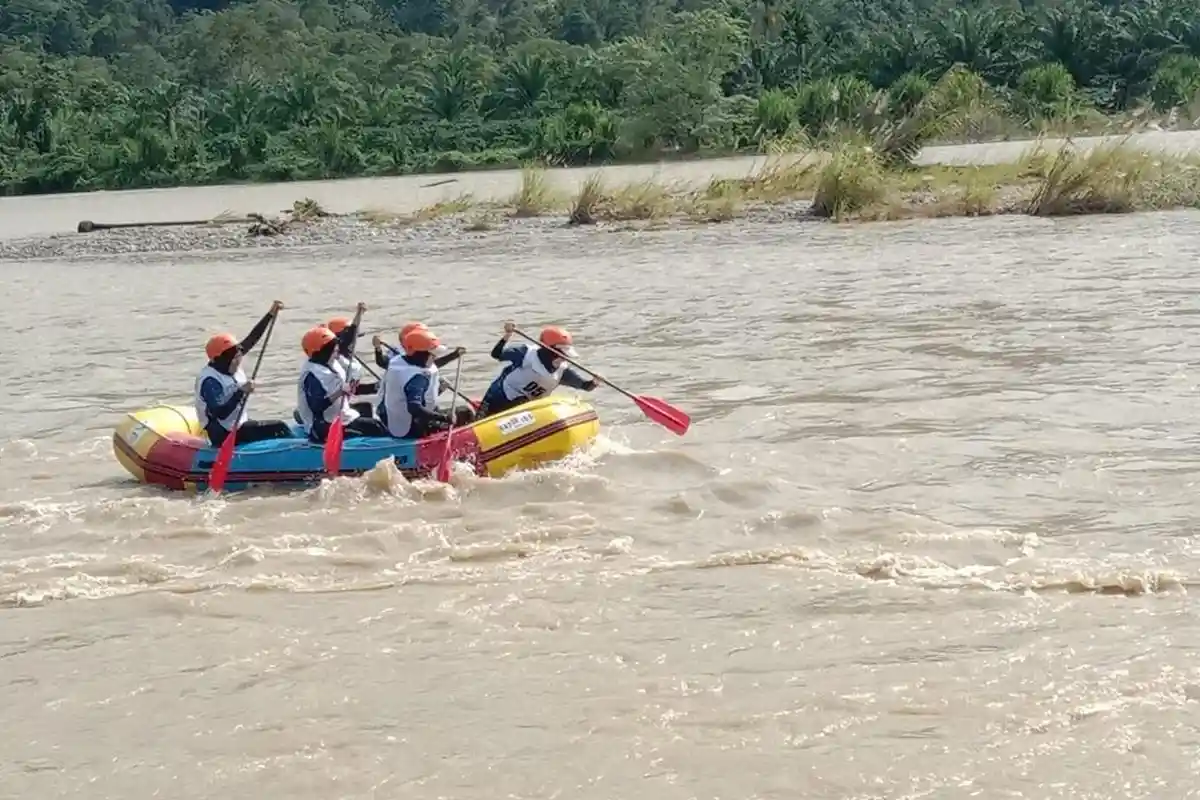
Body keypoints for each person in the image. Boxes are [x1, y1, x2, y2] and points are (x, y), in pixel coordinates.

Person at [195, 300, 293, 449]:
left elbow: (252, 339)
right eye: (234, 358)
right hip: (223, 433)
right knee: (279, 426)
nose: (238, 360)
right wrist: (241, 392)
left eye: (238, 356)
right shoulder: (210, 381)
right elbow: (220, 413)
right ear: (219, 359)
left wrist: (270, 314)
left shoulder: (231, 359)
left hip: (237, 424)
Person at [477, 322, 598, 418]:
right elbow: (496, 354)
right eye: (561, 353)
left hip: (528, 412)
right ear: (548, 350)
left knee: (524, 403)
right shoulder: (525, 353)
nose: (564, 358)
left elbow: (585, 386)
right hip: (498, 397)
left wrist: (595, 381)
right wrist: (507, 335)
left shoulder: (562, 371)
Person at [296, 325, 390, 444]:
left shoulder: (332, 362)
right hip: (323, 426)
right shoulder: (312, 375)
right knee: (375, 426)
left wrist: (376, 387)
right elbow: (316, 406)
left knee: (365, 408)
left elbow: (350, 389)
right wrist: (340, 392)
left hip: (339, 416)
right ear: (323, 350)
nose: (337, 348)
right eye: (333, 345)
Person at [382, 327, 474, 439]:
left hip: (396, 421)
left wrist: (454, 355)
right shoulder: (418, 378)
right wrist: (444, 417)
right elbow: (414, 408)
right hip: (412, 428)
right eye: (432, 354)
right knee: (465, 413)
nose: (434, 357)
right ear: (420, 354)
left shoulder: (398, 361)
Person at [324, 314, 377, 418]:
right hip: (334, 409)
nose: (355, 342)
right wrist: (359, 313)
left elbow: (352, 389)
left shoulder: (348, 357)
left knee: (367, 406)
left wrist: (376, 387)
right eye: (353, 339)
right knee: (366, 408)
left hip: (343, 403)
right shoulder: (335, 361)